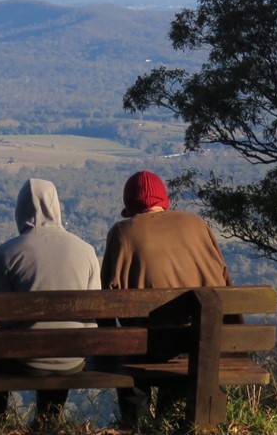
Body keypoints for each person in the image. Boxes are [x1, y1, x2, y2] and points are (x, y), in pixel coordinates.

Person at [101, 170, 233, 425]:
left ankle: (138, 423)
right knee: (179, 342)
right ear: (163, 200)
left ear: (130, 206)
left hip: (147, 347)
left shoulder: (123, 233)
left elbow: (108, 301)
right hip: (200, 343)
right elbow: (224, 280)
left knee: (132, 344)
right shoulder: (197, 225)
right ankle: (170, 420)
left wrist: (107, 346)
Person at [0, 178, 102, 422]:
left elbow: (0, 316)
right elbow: (94, 312)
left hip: (25, 358)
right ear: (56, 206)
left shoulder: (7, 253)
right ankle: (48, 419)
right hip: (74, 358)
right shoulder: (86, 250)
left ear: (20, 210)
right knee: (62, 337)